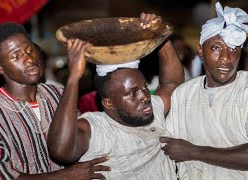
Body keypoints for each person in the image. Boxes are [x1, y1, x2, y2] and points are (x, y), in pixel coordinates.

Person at [161, 2, 248, 179]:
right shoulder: (184, 94)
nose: (226, 58)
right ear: (201, 51)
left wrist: (193, 152)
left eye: (233, 49)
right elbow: (164, 144)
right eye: (216, 48)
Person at [47, 13, 184, 179]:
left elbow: (172, 83)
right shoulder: (97, 129)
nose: (145, 96)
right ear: (108, 103)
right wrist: (73, 77)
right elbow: (60, 149)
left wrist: (160, 35)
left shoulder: (151, 110)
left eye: (145, 87)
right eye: (132, 93)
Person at [0, 22, 110, 179]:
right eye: (16, 56)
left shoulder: (57, 94)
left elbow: (82, 142)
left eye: (29, 50)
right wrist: (67, 175)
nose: (29, 59)